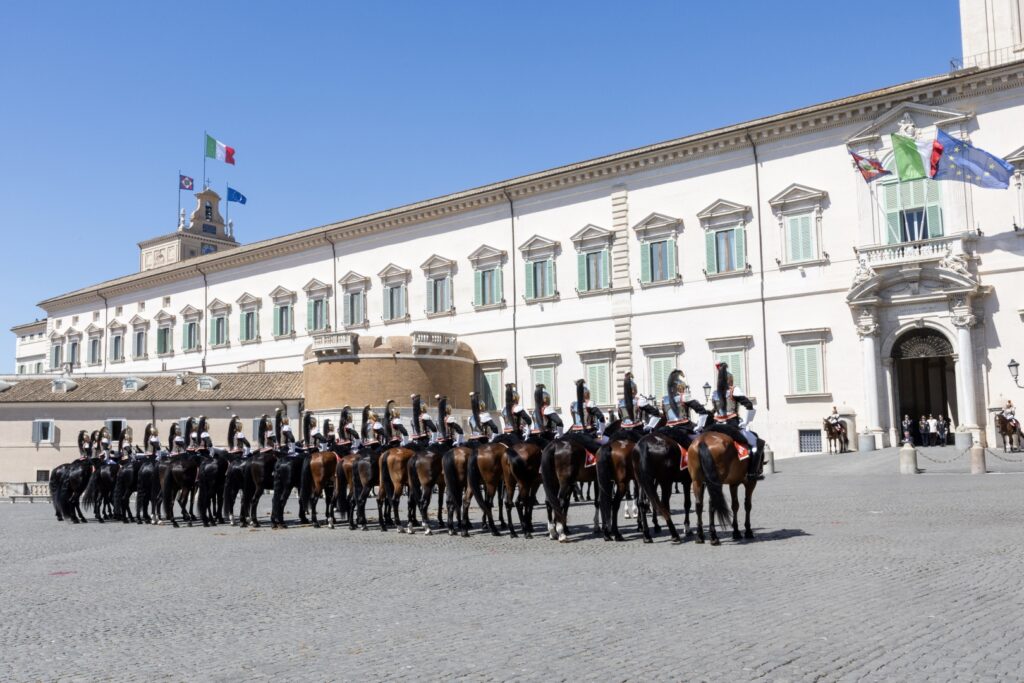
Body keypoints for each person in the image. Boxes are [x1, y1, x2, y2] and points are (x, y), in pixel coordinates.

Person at [708, 362, 763, 480]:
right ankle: (752, 473)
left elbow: (714, 410)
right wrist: (746, 422)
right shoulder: (734, 390)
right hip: (731, 424)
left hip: (715, 425)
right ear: (730, 380)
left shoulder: (714, 393)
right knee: (756, 444)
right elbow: (749, 405)